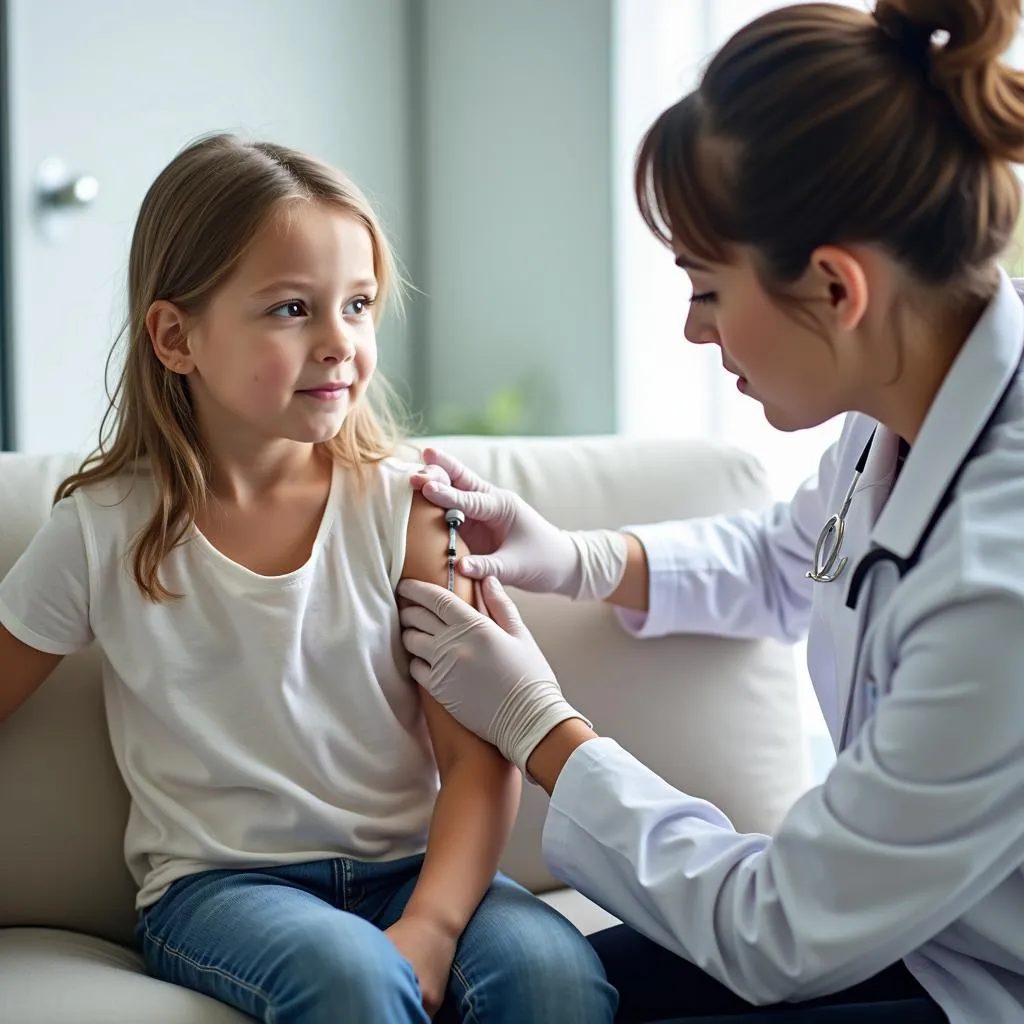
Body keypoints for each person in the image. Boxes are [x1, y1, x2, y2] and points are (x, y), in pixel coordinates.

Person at [396, 0, 1024, 1021]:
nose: (693, 332)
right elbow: (794, 557)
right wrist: (575, 558)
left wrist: (540, 726)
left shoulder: (1002, 573)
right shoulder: (909, 406)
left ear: (833, 287)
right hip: (919, 932)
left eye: (704, 288)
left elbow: (775, 930)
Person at [0, 134, 615, 1024]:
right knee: (350, 976)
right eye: (292, 308)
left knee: (552, 977)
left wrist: (435, 924)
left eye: (358, 305)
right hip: (218, 891)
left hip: (412, 868)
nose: (340, 344)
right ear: (176, 338)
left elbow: (475, 757)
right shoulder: (103, 528)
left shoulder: (406, 506)